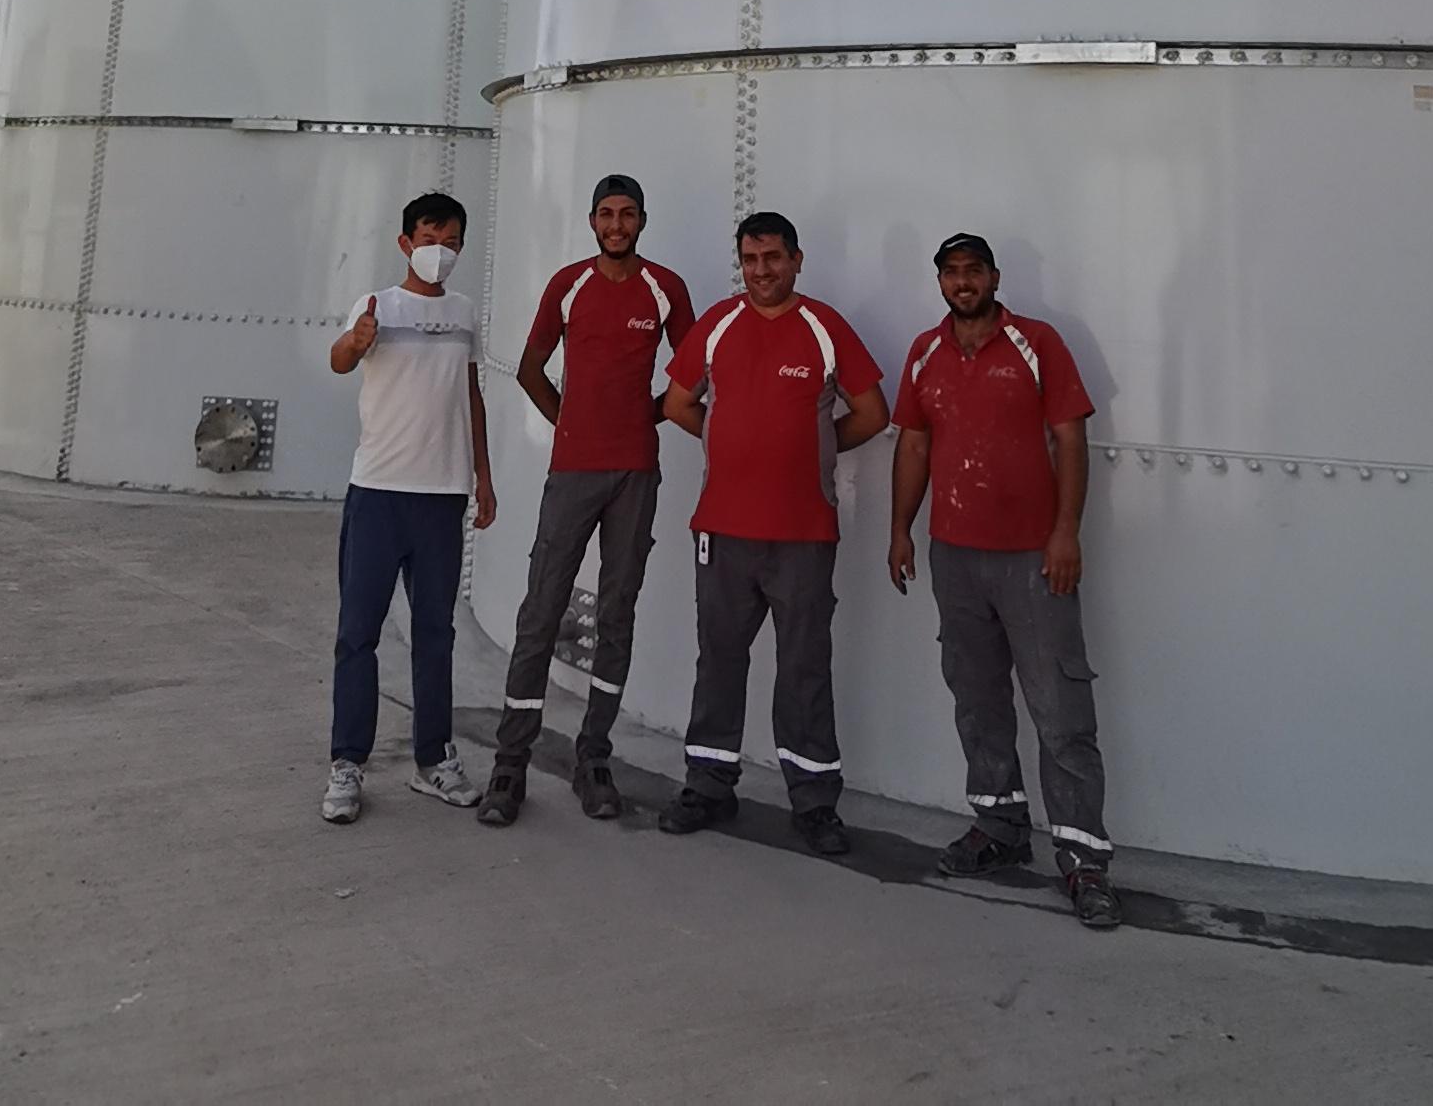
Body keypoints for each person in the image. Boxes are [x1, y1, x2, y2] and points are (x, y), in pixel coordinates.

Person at [888, 231, 1119, 929]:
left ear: (993, 276)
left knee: (1060, 709)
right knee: (977, 699)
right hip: (955, 559)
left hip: (1032, 560)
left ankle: (1083, 860)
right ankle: (999, 827)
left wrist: (1065, 533)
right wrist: (901, 529)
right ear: (940, 282)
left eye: (974, 271)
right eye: (951, 273)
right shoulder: (924, 352)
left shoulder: (1037, 343)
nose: (963, 283)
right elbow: (915, 443)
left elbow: (1071, 439)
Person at [655, 211, 887, 856]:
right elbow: (677, 404)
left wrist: (814, 448)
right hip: (722, 531)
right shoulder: (718, 324)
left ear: (796, 260)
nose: (762, 271)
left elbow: (873, 412)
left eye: (774, 258)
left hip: (803, 533)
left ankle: (814, 803)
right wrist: (728, 440)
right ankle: (708, 786)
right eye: (751, 259)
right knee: (719, 660)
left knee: (804, 667)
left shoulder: (824, 327)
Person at [479, 174, 694, 828]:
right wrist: (569, 422)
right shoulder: (568, 284)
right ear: (592, 221)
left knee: (617, 612)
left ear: (642, 220)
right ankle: (510, 763)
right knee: (541, 609)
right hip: (573, 472)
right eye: (606, 214)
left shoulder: (665, 287)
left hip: (636, 474)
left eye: (627, 214)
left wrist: (648, 414)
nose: (616, 224)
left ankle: (594, 758)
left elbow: (694, 373)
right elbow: (529, 367)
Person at [320, 191, 496, 826]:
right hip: (378, 492)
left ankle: (433, 759)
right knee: (357, 634)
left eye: (451, 241)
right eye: (428, 238)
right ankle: (347, 764)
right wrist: (356, 340)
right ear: (405, 243)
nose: (439, 251)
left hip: (441, 496)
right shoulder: (376, 305)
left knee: (435, 634)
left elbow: (470, 395)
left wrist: (483, 476)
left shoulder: (465, 313)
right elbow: (340, 360)